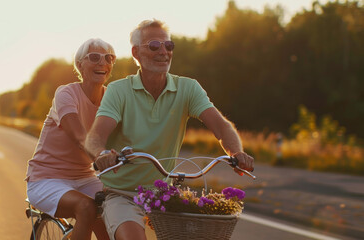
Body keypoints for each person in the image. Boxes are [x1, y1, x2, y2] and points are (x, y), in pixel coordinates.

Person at [85, 19, 254, 240]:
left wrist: (236, 152)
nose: (163, 51)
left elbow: (222, 126)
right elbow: (95, 137)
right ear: (136, 53)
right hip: (122, 194)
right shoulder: (119, 91)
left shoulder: (188, 88)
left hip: (163, 194)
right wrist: (102, 154)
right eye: (154, 45)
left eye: (169, 45)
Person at [25, 38, 115, 240]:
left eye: (109, 58)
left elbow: (128, 134)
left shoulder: (111, 98)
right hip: (47, 178)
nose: (103, 62)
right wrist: (101, 154)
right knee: (86, 207)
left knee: (115, 209)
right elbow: (79, 136)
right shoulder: (66, 94)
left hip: (86, 178)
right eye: (95, 57)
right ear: (80, 65)